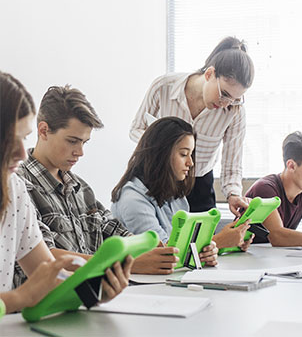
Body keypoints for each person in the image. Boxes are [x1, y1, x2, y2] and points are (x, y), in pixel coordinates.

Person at [15, 85, 217, 287]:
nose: (80, 152)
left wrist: (165, 251)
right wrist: (128, 263)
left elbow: (119, 234)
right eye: (72, 141)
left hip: (90, 301)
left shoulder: (81, 189)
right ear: (43, 131)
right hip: (47, 306)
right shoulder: (19, 187)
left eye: (84, 142)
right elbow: (42, 256)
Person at [0, 72, 132, 314]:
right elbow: (30, 290)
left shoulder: (14, 190)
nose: (21, 153)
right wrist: (20, 298)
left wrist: (95, 291)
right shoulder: (23, 183)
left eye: (23, 138)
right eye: (11, 139)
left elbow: (51, 278)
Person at [130, 36, 255, 217]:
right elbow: (136, 128)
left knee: (203, 244)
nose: (225, 103)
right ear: (210, 74)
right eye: (224, 94)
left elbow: (232, 163)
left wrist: (233, 194)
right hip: (159, 177)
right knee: (162, 242)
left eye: (235, 99)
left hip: (199, 186)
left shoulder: (234, 111)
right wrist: (163, 148)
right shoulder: (163, 87)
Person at [111, 117, 253, 252]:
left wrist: (231, 243)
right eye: (184, 154)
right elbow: (164, 254)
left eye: (191, 154)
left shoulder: (174, 195)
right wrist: (219, 242)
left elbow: (188, 246)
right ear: (161, 154)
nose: (190, 163)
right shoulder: (132, 200)